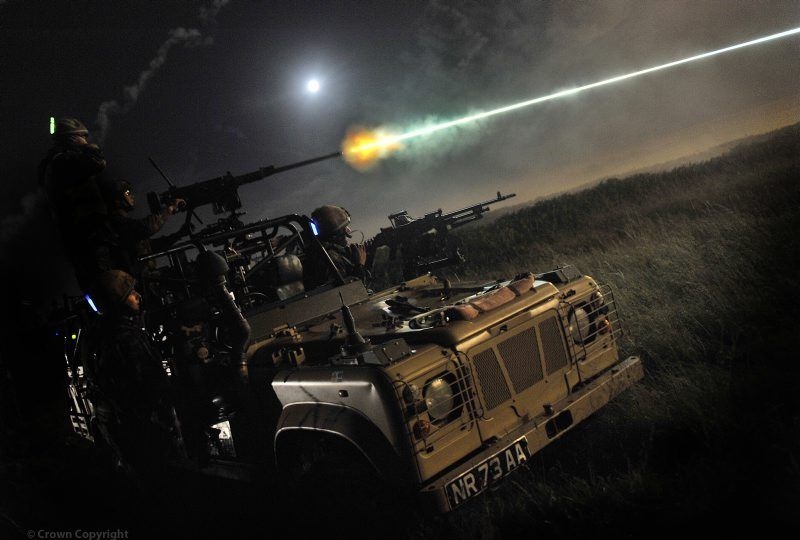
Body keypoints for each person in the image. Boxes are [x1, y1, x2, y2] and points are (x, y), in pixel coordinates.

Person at [86, 269, 184, 487]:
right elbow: (149, 388)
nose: (138, 296)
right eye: (131, 293)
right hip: (148, 435)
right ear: (118, 303)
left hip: (138, 436)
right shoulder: (124, 339)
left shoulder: (113, 335)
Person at [38, 117, 114, 291]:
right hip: (88, 235)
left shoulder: (55, 163)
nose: (85, 140)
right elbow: (97, 162)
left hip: (80, 236)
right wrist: (88, 147)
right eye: (82, 137)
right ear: (71, 138)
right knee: (109, 286)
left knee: (97, 286)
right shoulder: (63, 161)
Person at [98, 178, 186, 279]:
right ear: (117, 200)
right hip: (134, 280)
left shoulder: (123, 223)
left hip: (142, 279)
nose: (132, 196)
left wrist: (178, 235)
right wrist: (169, 209)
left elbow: (149, 247)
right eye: (127, 193)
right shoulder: (116, 222)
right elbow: (147, 227)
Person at [305, 204, 368, 287]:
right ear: (337, 233)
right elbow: (348, 292)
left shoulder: (319, 252)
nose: (348, 230)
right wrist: (360, 265)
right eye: (345, 227)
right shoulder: (330, 257)